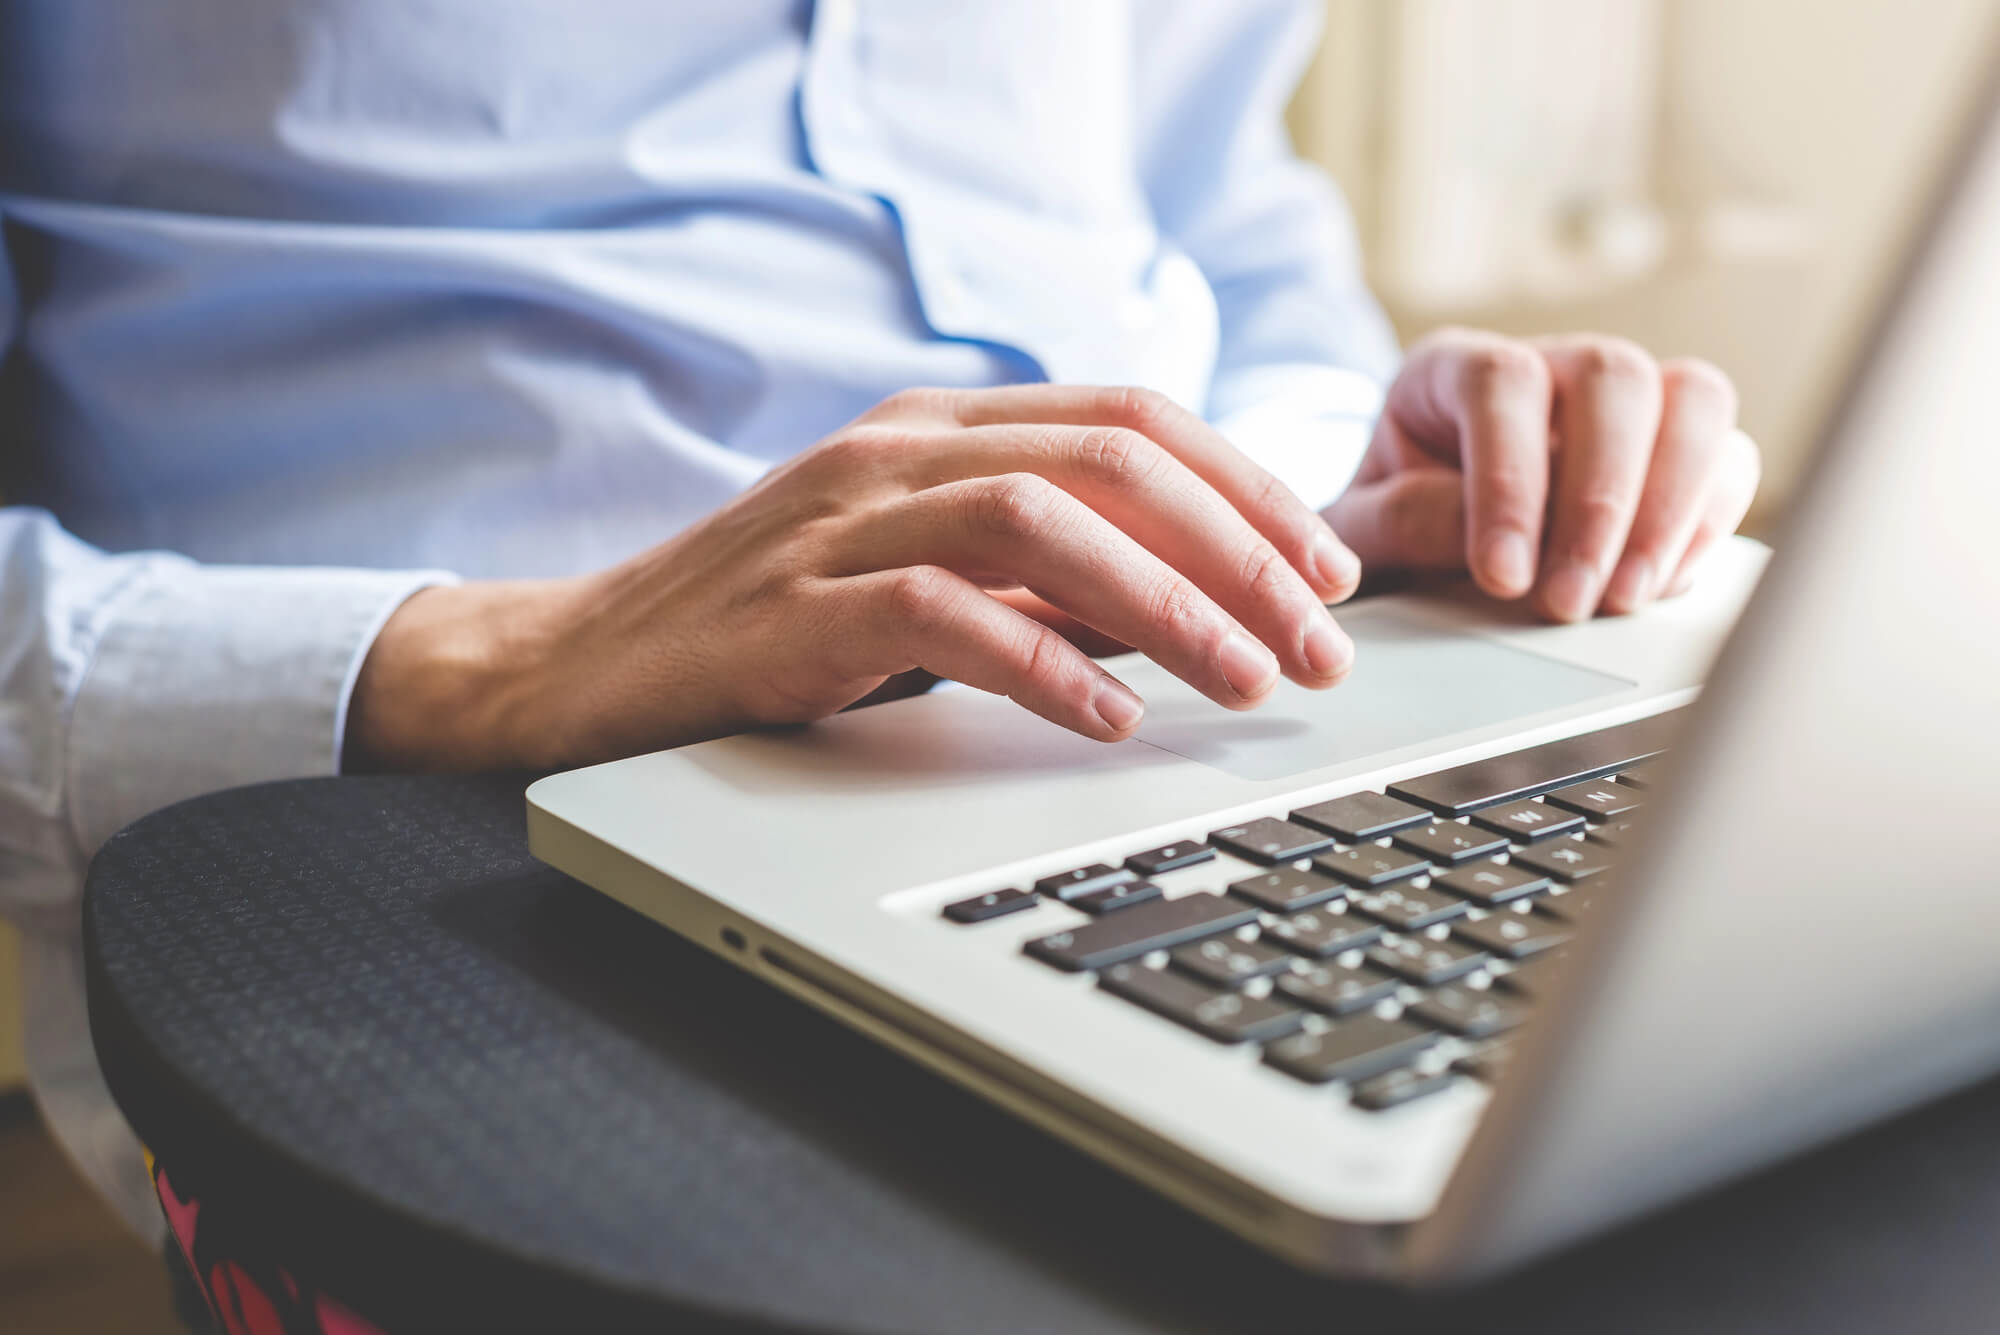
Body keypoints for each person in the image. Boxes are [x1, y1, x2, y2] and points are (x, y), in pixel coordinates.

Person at [0, 0, 1758, 1309]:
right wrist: (497, 654)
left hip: (1200, 709)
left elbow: (1227, 223)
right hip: (429, 805)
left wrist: (1345, 479)